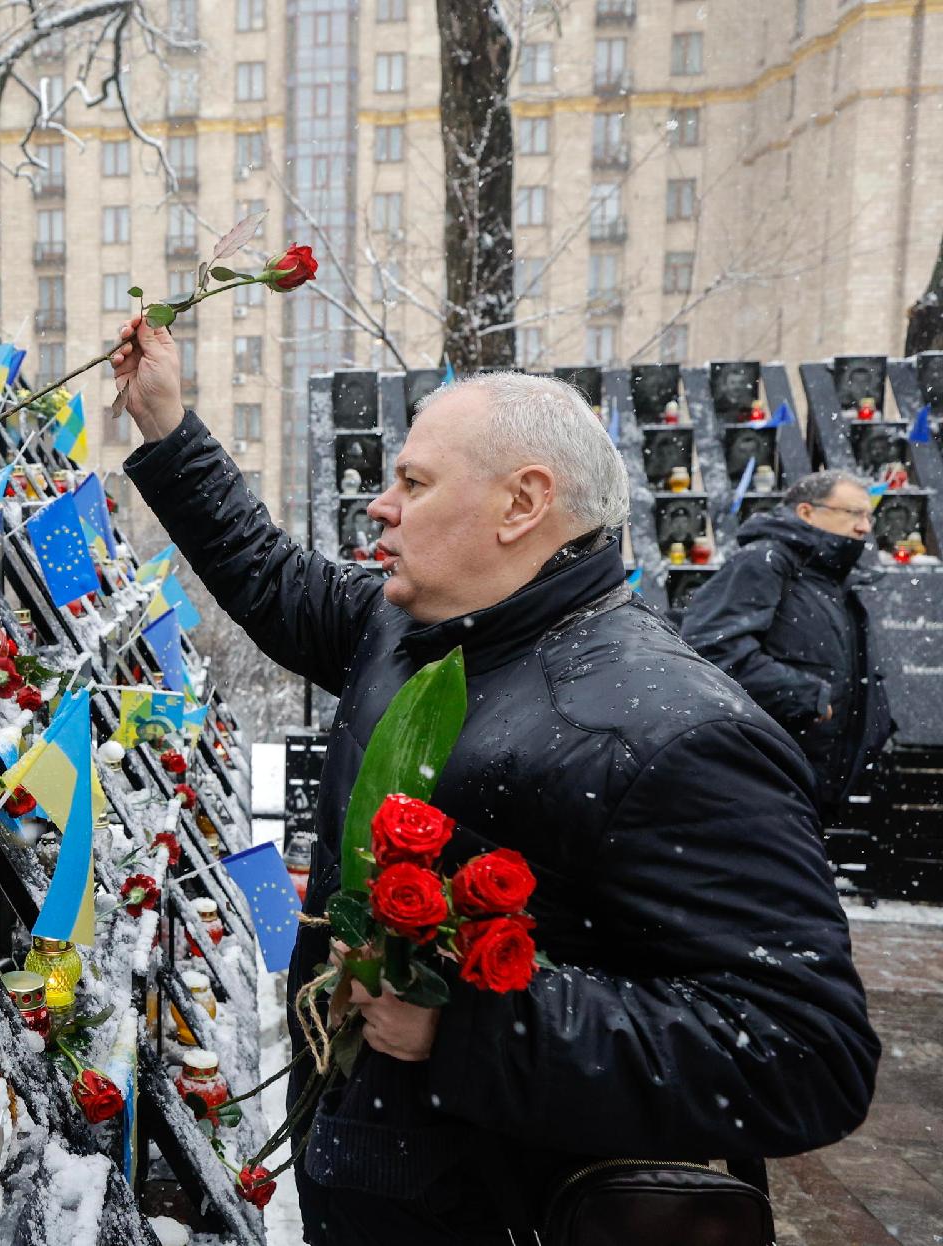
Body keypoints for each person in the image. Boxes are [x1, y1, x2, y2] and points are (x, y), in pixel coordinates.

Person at [109, 318, 878, 1244]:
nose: (380, 507)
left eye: (414, 483)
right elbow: (272, 580)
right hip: (385, 1189)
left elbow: (806, 1052)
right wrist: (168, 427)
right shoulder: (417, 626)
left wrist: (467, 1026)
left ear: (523, 503)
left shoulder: (670, 729)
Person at [681, 470, 894, 820]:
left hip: (811, 787)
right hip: (760, 787)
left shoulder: (835, 581)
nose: (864, 527)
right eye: (854, 513)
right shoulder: (765, 561)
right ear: (806, 511)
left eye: (869, 516)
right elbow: (711, 651)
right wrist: (808, 696)